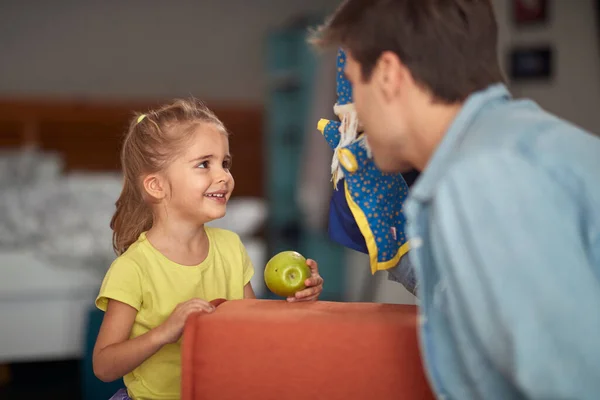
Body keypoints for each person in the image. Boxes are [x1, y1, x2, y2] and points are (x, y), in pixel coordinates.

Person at [310, 0, 600, 399]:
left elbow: (568, 384)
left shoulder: (482, 179)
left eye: (354, 82)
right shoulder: (518, 144)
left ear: (390, 75)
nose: (349, 112)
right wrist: (406, 257)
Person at [92, 99, 324, 400]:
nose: (223, 176)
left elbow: (251, 327)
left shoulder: (230, 248)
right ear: (156, 186)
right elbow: (104, 366)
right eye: (204, 164)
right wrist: (165, 332)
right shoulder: (133, 268)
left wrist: (297, 301)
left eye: (225, 163)